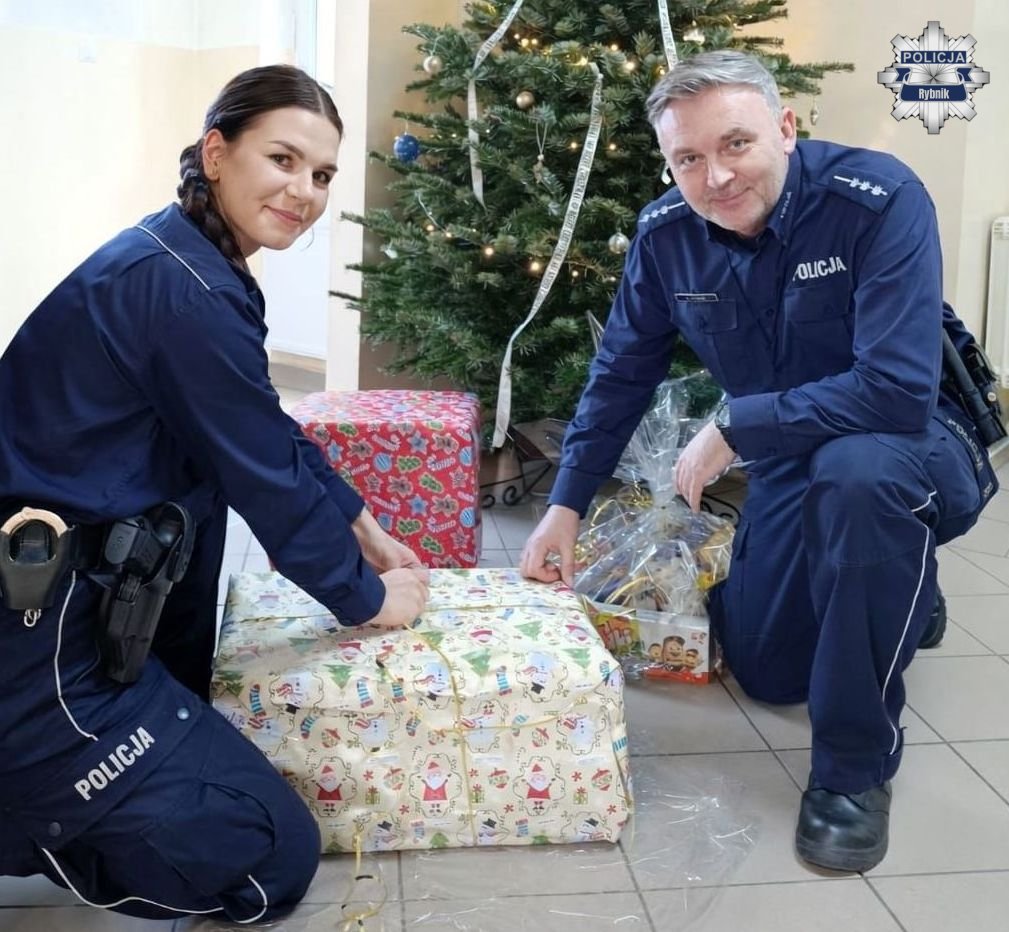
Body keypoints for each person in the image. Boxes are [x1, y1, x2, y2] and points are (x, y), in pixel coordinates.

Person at [521, 50, 998, 873]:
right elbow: (620, 373)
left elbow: (894, 390)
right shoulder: (666, 237)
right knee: (768, 669)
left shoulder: (878, 199)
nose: (714, 177)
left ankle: (852, 772)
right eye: (687, 158)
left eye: (735, 143)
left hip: (910, 443)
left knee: (858, 483)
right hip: (789, 457)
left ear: (784, 127)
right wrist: (562, 507)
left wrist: (738, 425)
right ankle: (900, 590)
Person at [0, 65, 429, 922]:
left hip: (92, 600)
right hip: (40, 631)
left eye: (321, 174)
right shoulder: (182, 290)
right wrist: (368, 599)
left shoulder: (187, 261)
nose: (303, 191)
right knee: (270, 857)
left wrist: (362, 524)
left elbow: (263, 426)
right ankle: (33, 804)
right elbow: (264, 480)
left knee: (195, 719)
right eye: (283, 158)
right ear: (216, 152)